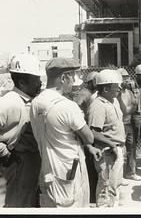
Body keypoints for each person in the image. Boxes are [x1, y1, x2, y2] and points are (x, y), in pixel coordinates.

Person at [30, 57, 100, 207]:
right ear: (63, 78)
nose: (73, 80)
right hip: (69, 172)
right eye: (72, 76)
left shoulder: (36, 102)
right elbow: (88, 137)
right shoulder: (67, 106)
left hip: (47, 172)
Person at [0, 53, 42, 207]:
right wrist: (2, 151)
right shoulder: (7, 103)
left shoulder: (34, 100)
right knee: (16, 204)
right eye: (36, 81)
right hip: (16, 164)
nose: (40, 84)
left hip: (33, 162)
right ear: (22, 82)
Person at [87, 69, 126, 207]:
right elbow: (93, 133)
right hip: (108, 152)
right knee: (106, 189)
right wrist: (113, 144)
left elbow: (124, 114)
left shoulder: (112, 101)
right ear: (105, 88)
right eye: (116, 86)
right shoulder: (98, 105)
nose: (119, 89)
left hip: (116, 149)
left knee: (115, 187)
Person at [117, 68, 141, 181]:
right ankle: (119, 175)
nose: (127, 80)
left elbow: (134, 106)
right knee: (120, 150)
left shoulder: (129, 92)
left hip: (128, 123)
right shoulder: (117, 93)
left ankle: (130, 172)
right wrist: (128, 109)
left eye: (127, 78)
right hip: (119, 124)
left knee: (131, 148)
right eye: (124, 78)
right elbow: (123, 110)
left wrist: (128, 109)